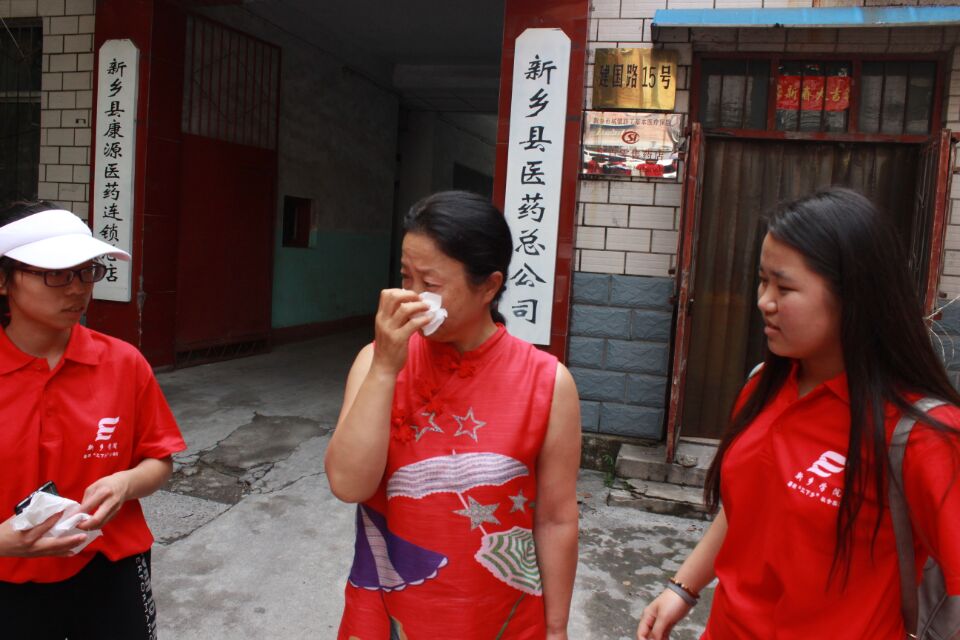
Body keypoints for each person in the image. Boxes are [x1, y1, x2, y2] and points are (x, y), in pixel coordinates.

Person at [637, 188, 960, 639]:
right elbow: (750, 507)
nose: (764, 301)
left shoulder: (921, 434)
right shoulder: (762, 386)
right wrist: (683, 587)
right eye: (762, 281)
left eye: (784, 287)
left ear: (854, 296)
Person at [325, 191, 581, 639]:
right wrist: (385, 367)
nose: (411, 297)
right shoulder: (376, 362)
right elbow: (349, 485)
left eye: (430, 283)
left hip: (498, 618)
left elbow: (556, 518)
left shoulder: (547, 382)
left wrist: (556, 629)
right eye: (405, 277)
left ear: (489, 287)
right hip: (388, 613)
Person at [0, 201, 186, 639]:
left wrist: (125, 484)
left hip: (110, 566)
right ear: (4, 280)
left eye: (87, 271)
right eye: (56, 273)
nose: (77, 289)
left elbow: (158, 460)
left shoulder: (123, 363)